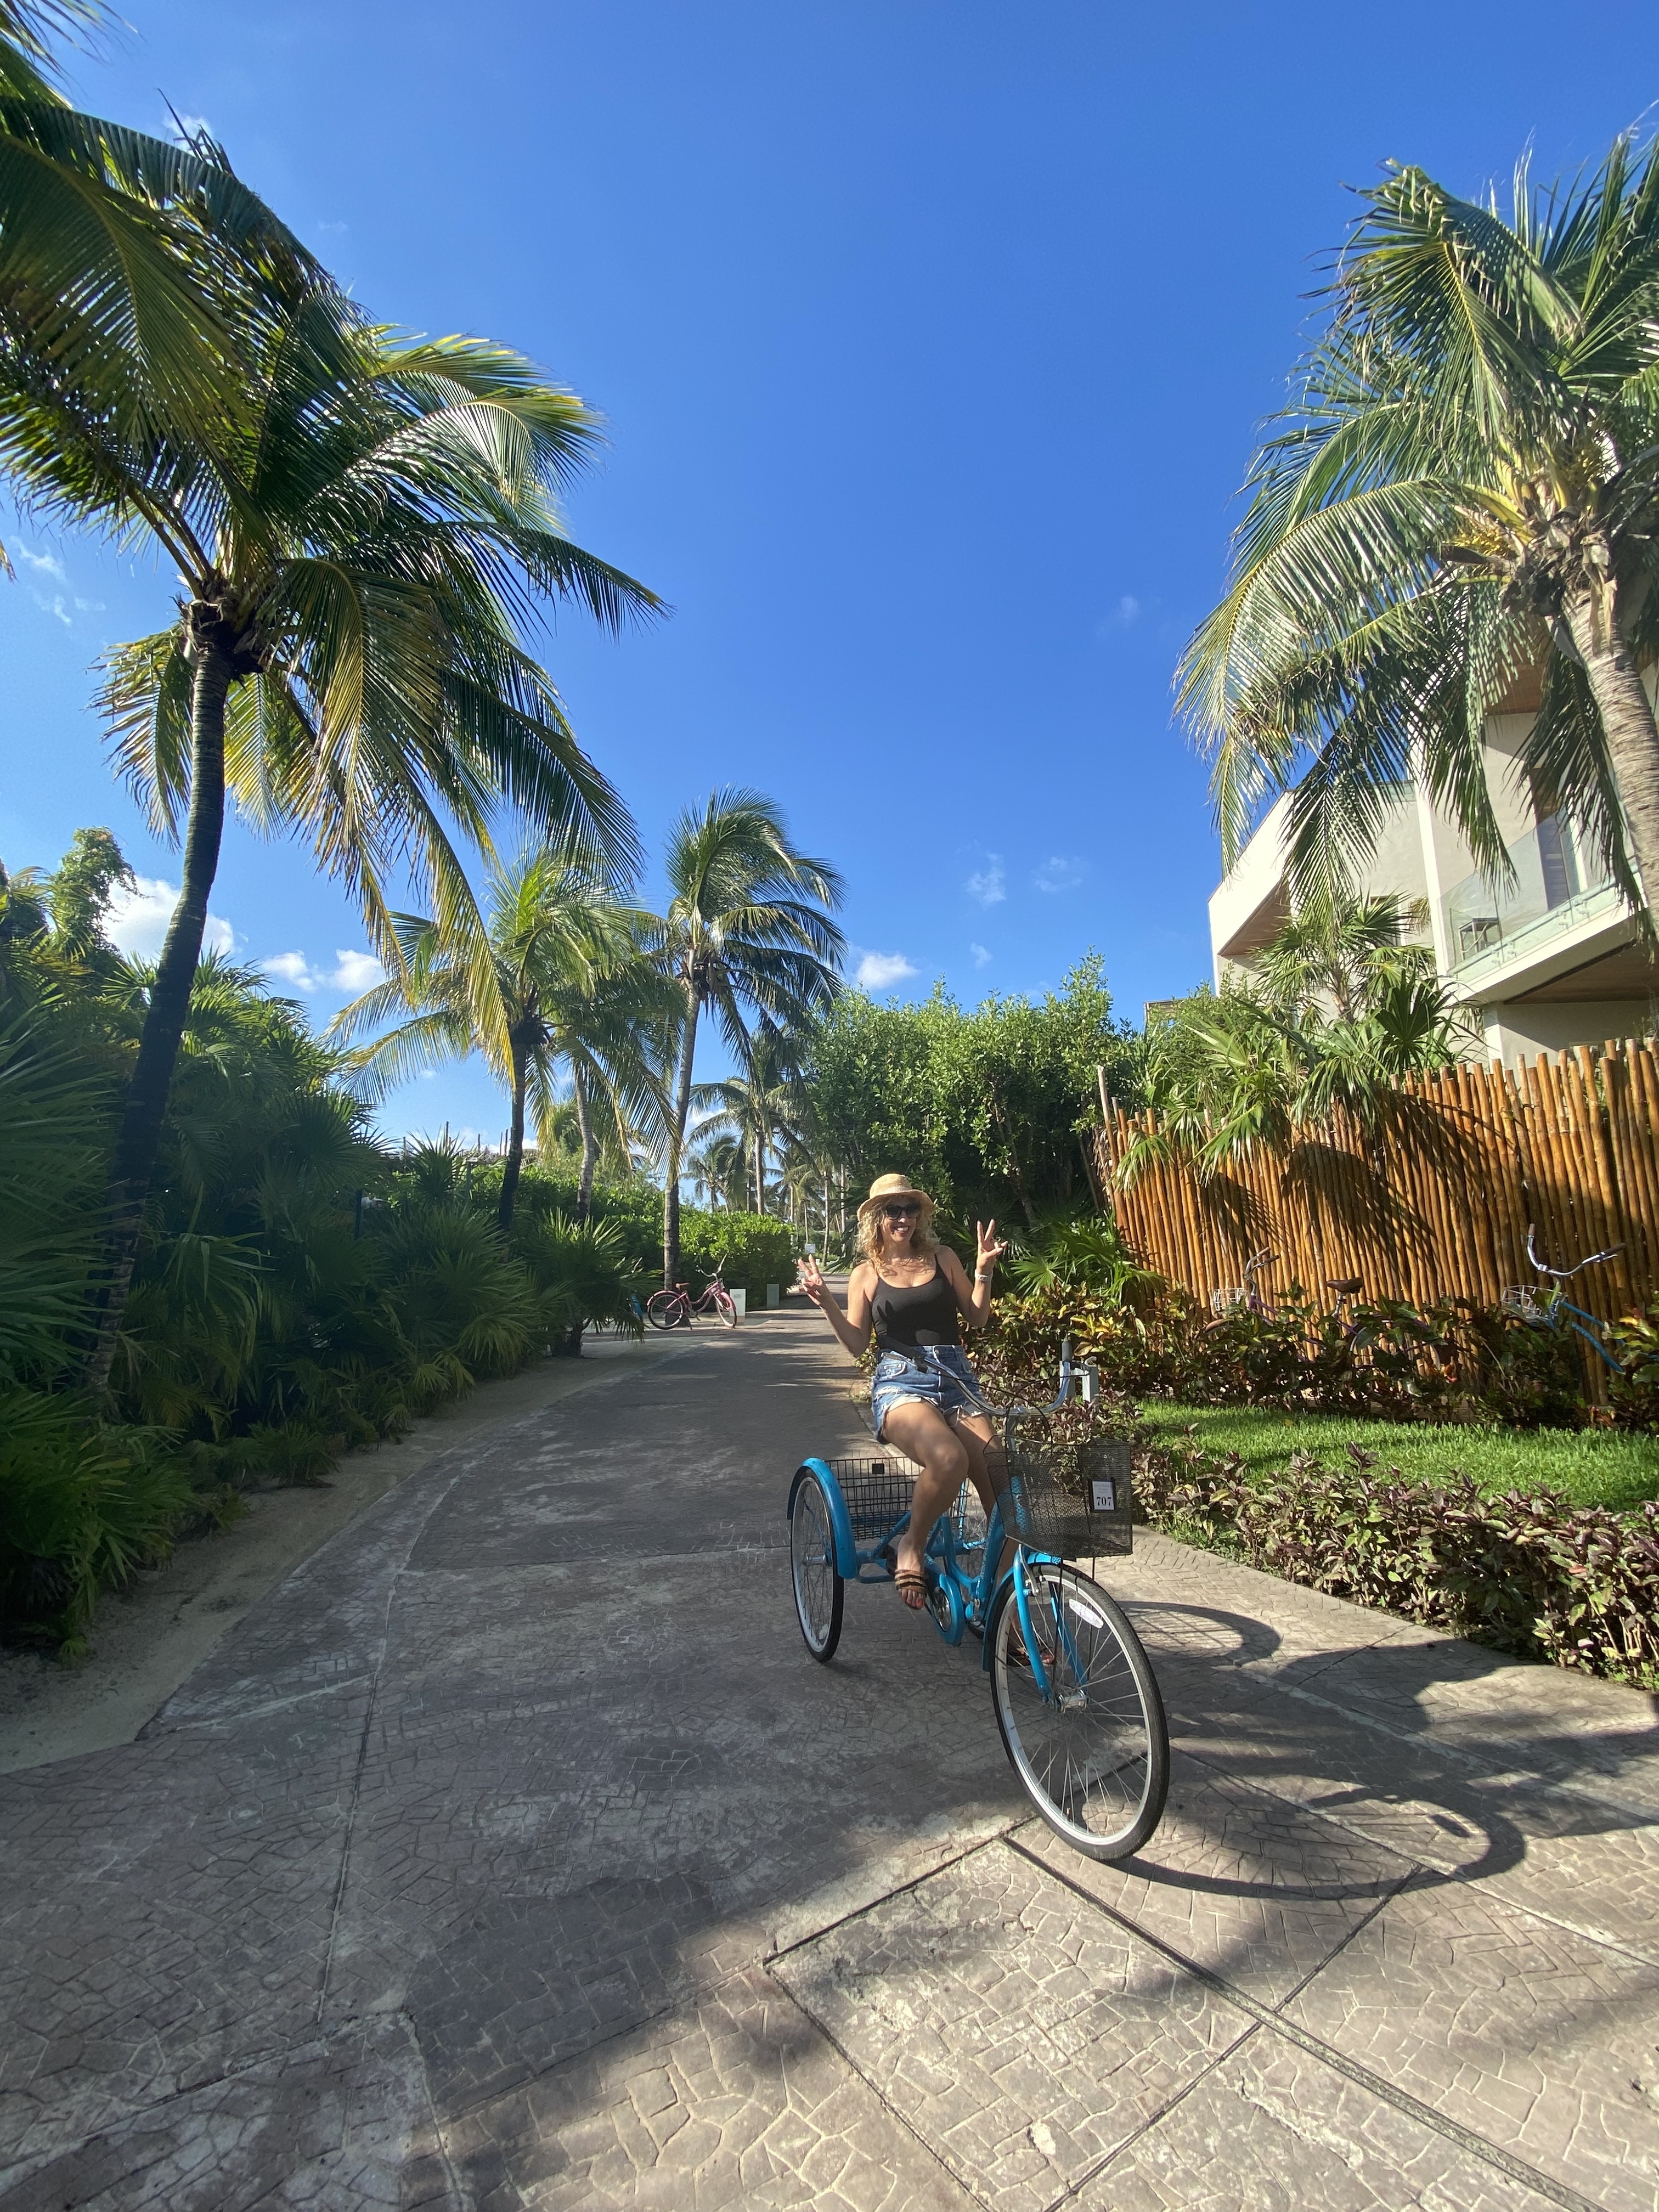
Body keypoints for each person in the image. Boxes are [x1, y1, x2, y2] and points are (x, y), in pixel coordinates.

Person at [796, 1173, 1007, 1608]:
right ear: (877, 1217)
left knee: (1002, 1481)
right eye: (894, 1210)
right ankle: (913, 1544)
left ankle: (1004, 1613)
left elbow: (978, 1318)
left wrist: (983, 1271)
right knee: (950, 1458)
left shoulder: (943, 1257)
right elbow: (857, 1345)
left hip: (956, 1379)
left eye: (911, 1209)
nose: (904, 1218)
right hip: (901, 1382)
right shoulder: (866, 1274)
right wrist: (827, 1303)